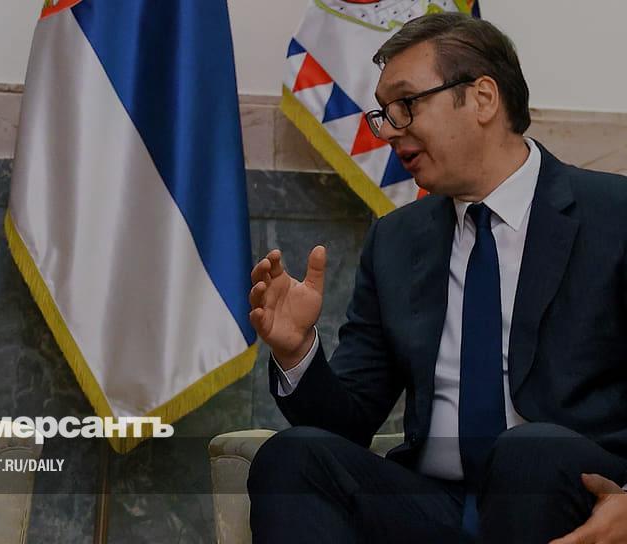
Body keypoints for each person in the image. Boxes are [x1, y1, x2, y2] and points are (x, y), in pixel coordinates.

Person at [247, 12, 627, 544]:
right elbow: (347, 423)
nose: (389, 130)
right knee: (293, 458)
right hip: (432, 505)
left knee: (531, 452)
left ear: (483, 99)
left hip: (567, 494)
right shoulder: (397, 240)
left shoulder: (613, 215)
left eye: (406, 104)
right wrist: (296, 353)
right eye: (384, 113)